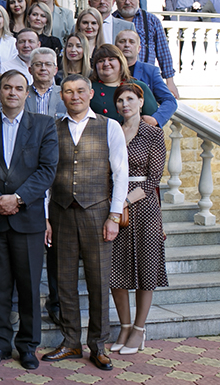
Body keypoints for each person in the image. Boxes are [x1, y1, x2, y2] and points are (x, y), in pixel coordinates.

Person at [42, 74, 128, 372]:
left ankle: (99, 345)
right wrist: (45, 217)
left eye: (80, 90)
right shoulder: (52, 128)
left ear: (90, 93)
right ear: (61, 96)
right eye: (68, 91)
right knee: (64, 281)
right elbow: (46, 175)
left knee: (98, 282)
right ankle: (70, 341)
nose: (74, 96)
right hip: (60, 213)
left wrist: (114, 216)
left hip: (98, 214)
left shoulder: (109, 126)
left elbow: (120, 173)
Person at [0, 70, 58, 370]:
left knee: (29, 287)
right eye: (7, 87)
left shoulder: (44, 125)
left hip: (28, 219)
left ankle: (27, 346)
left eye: (19, 88)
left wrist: (18, 198)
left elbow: (47, 170)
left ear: (27, 92)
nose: (12, 92)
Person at [109, 83, 168, 355]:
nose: (125, 104)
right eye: (120, 100)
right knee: (116, 269)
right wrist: (114, 203)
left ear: (141, 102)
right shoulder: (112, 131)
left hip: (143, 206)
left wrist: (123, 201)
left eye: (130, 99)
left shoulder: (153, 133)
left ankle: (139, 329)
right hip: (114, 206)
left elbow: (154, 178)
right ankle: (124, 326)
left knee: (146, 266)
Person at [114, 0, 179, 96]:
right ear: (116, 1)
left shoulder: (151, 20)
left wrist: (170, 82)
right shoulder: (111, 21)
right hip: (117, 79)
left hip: (146, 79)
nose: (127, 2)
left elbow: (163, 52)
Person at [115, 29, 178, 126]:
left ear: (139, 48)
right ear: (115, 47)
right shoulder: (108, 70)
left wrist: (156, 119)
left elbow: (170, 101)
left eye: (131, 42)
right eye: (122, 41)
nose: (127, 45)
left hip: (140, 128)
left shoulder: (150, 71)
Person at [89, 44, 158, 123]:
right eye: (101, 61)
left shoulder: (138, 86)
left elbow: (152, 120)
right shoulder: (88, 88)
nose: (106, 64)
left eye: (111, 59)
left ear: (120, 62)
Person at [26, 47, 66, 117]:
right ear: (30, 70)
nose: (43, 68)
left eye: (48, 64)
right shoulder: (22, 94)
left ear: (55, 70)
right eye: (38, 64)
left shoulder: (65, 94)